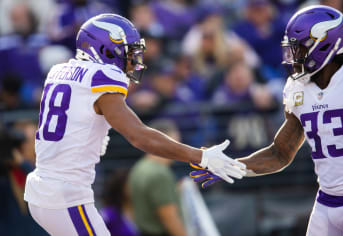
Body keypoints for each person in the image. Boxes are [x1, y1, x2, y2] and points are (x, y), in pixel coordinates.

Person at [190, 5, 343, 236]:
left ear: (325, 44)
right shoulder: (298, 89)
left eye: (300, 49)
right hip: (326, 200)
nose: (293, 57)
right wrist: (232, 166)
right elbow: (280, 153)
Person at [23, 13, 246, 236]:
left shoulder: (59, 71)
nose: (133, 60)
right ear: (105, 49)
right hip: (65, 194)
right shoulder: (102, 76)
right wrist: (202, 157)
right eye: (128, 52)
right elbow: (139, 136)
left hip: (42, 187)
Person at [129, 119, 187, 236]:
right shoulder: (159, 173)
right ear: (163, 141)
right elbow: (169, 218)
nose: (181, 148)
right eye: (177, 142)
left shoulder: (139, 168)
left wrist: (176, 191)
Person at [100, 169, 139, 236]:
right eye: (132, 184)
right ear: (121, 187)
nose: (136, 187)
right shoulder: (109, 214)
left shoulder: (142, 210)